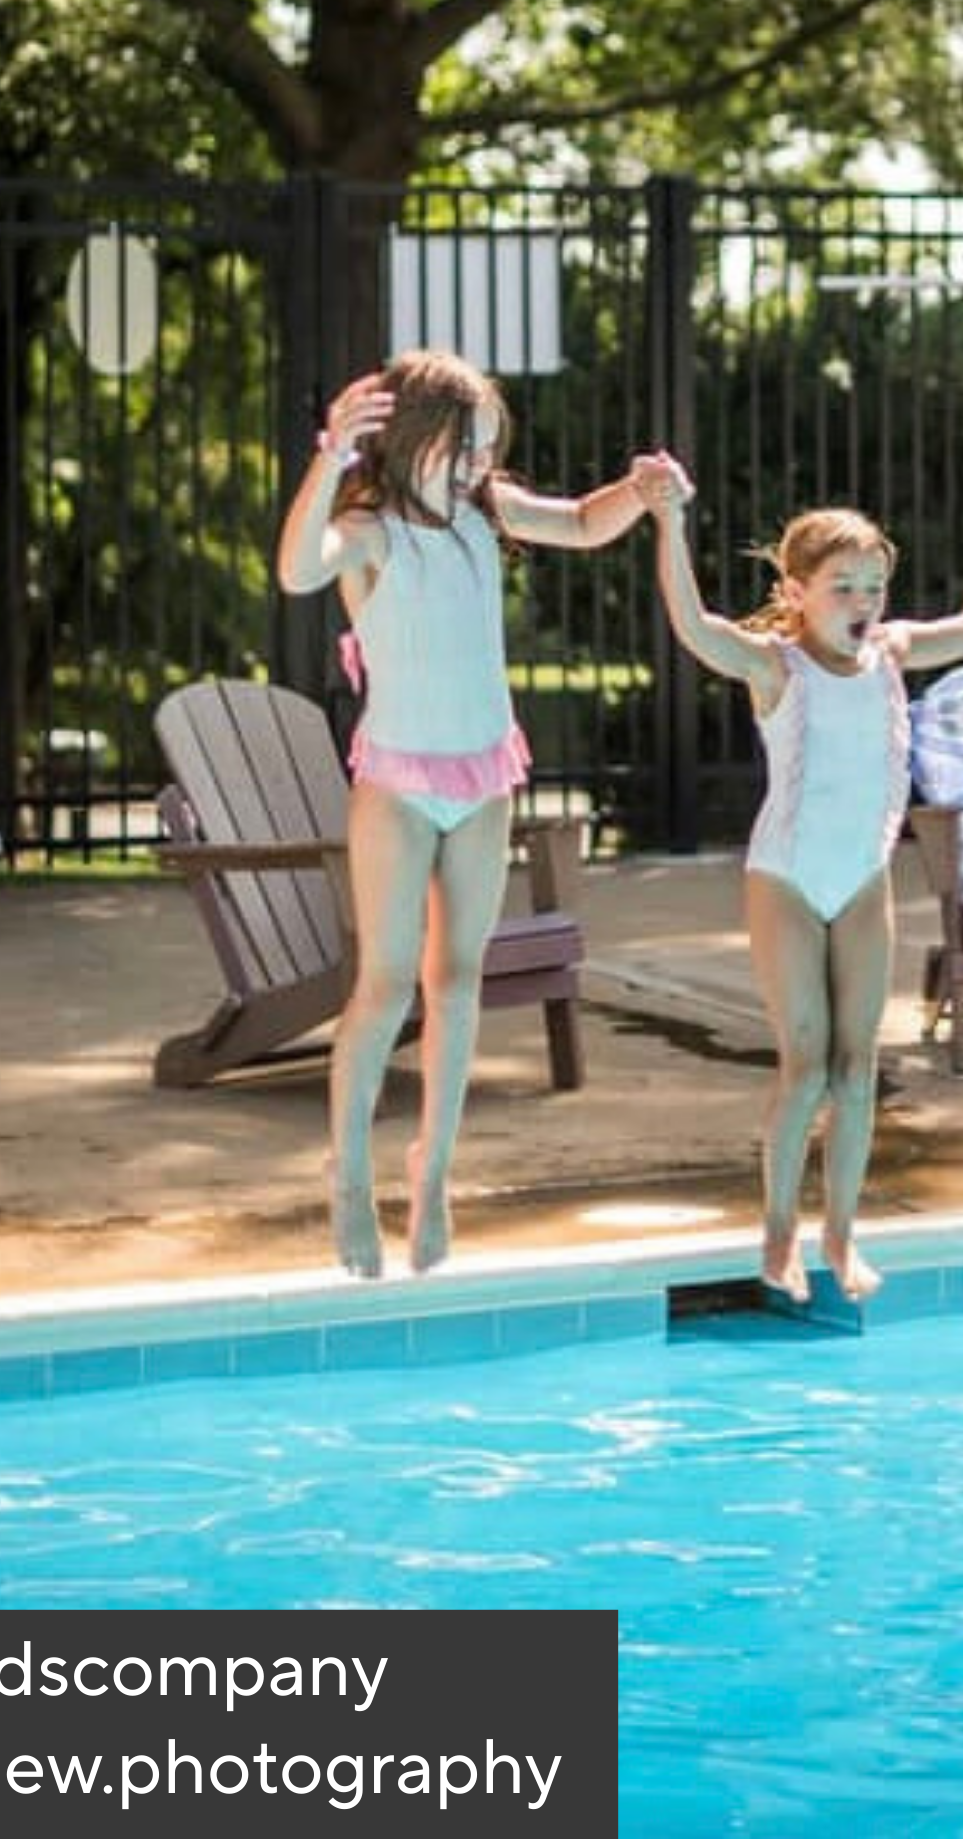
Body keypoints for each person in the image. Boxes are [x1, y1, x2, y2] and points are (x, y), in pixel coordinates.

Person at [631, 451, 963, 1302]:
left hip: (861, 879)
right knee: (807, 1064)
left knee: (859, 1067)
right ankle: (779, 1234)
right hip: (785, 879)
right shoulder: (775, 666)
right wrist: (669, 523)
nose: (862, 606)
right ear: (796, 592)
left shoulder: (891, 654)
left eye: (872, 587)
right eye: (842, 588)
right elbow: (695, 627)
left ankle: (842, 1235)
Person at [277, 348, 653, 1278]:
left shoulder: (487, 515)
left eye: (488, 448)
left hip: (484, 779)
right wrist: (328, 455)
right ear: (409, 441)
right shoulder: (366, 530)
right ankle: (352, 1173)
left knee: (458, 984)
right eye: (464, 447)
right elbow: (295, 572)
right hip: (399, 784)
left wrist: (641, 490)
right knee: (387, 985)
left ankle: (433, 1171)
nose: (480, 465)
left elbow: (583, 521)